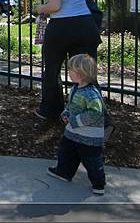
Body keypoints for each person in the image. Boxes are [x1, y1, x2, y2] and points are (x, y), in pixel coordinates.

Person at [34, 0, 103, 120]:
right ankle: (90, 111)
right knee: (85, 72)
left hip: (62, 27)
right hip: (85, 26)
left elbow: (55, 5)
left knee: (52, 70)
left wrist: (40, 8)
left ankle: (51, 109)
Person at [47, 54, 106, 195]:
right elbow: (72, 105)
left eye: (71, 70)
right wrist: (66, 113)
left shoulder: (91, 94)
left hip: (89, 136)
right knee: (66, 153)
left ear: (81, 73)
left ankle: (98, 183)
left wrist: (75, 121)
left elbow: (95, 112)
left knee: (92, 161)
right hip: (72, 133)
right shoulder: (75, 88)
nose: (69, 73)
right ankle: (63, 172)